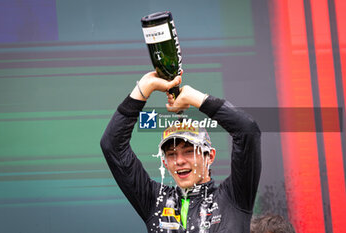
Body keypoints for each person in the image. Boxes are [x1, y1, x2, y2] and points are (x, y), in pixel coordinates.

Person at [100, 71, 261, 232]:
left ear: (209, 156)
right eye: (171, 154)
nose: (179, 161)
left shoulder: (234, 197)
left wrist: (195, 97)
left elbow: (247, 131)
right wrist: (143, 89)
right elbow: (112, 145)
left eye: (189, 151)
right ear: (164, 162)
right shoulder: (155, 201)